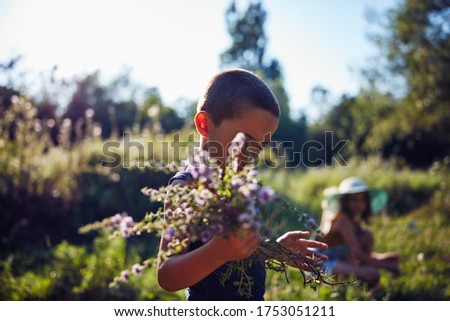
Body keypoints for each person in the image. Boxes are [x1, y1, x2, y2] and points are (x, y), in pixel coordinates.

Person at [156, 68, 329, 300]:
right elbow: (167, 275)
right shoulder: (187, 189)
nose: (251, 154)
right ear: (205, 124)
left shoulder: (241, 188)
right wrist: (217, 252)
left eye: (259, 146)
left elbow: (239, 249)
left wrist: (275, 249)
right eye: (244, 140)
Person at [316, 177, 400, 289]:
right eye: (354, 199)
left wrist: (380, 258)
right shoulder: (342, 220)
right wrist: (386, 266)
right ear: (345, 202)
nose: (359, 204)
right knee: (373, 274)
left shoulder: (353, 222)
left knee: (367, 235)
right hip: (322, 265)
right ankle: (361, 285)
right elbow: (359, 254)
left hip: (340, 260)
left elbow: (356, 253)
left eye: (362, 200)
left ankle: (364, 284)